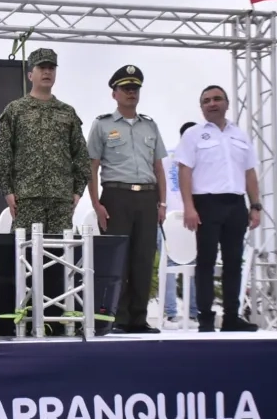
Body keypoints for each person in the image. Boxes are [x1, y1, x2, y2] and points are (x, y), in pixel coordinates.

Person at [86, 65, 166, 334]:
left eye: (135, 88)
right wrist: (96, 204)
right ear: (114, 94)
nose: (131, 93)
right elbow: (92, 167)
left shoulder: (150, 125)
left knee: (144, 259)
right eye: (125, 88)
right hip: (116, 196)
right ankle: (117, 319)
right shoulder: (102, 124)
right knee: (117, 260)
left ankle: (138, 319)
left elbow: (159, 168)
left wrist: (162, 203)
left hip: (146, 197)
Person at [174, 85, 260, 332]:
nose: (212, 103)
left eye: (217, 99)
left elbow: (250, 172)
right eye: (206, 101)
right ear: (201, 107)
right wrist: (189, 206)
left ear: (227, 103)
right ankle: (205, 319)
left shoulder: (240, 135)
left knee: (234, 262)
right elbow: (185, 171)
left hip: (235, 204)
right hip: (206, 204)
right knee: (206, 262)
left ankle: (232, 317)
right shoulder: (193, 135)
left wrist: (255, 206)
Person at [0, 48, 90, 235]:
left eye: (51, 68)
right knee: (26, 256)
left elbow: (81, 155)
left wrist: (77, 192)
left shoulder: (67, 112)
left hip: (60, 200)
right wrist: (7, 191)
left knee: (59, 257)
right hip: (27, 199)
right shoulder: (15, 110)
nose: (47, 72)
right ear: (30, 74)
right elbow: (2, 154)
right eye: (42, 67)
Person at [161, 121, 198, 329]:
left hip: (191, 218)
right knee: (169, 267)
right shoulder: (166, 155)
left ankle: (192, 314)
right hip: (170, 219)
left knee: (192, 268)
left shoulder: (199, 157)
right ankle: (172, 314)